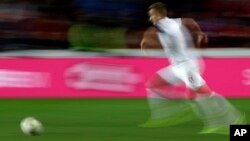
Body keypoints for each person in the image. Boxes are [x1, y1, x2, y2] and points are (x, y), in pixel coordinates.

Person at [140, 2, 245, 134]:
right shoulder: (170, 22)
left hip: (187, 66)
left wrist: (149, 43)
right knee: (152, 84)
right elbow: (189, 21)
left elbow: (168, 46)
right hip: (177, 66)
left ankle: (234, 119)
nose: (150, 18)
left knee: (205, 93)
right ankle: (181, 112)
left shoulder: (169, 29)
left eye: (152, 15)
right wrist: (199, 32)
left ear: (158, 15)